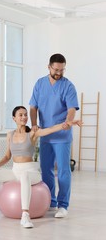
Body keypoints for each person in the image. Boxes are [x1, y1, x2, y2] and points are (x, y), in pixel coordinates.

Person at [0, 106, 81, 228]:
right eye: (20, 115)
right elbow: (7, 156)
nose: (24, 117)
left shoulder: (32, 133)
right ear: (14, 118)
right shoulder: (10, 134)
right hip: (15, 171)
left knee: (25, 175)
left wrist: (67, 123)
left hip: (31, 172)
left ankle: (25, 215)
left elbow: (50, 129)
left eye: (25, 114)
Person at [29, 53, 79, 218]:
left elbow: (71, 108)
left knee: (64, 171)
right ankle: (51, 201)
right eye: (56, 69)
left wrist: (68, 121)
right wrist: (34, 124)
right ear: (49, 67)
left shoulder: (68, 86)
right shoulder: (40, 83)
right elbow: (33, 107)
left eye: (62, 70)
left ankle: (63, 205)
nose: (59, 72)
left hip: (62, 135)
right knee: (46, 170)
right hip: (45, 135)